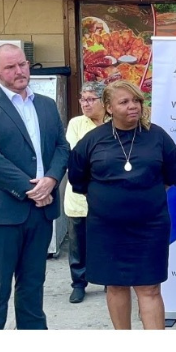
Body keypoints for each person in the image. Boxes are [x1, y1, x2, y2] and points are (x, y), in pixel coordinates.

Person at [0, 43, 69, 330]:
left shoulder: (45, 105)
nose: (19, 71)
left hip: (41, 211)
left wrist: (51, 180)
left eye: (22, 64)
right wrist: (30, 188)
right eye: (10, 67)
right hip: (0, 212)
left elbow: (61, 147)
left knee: (33, 287)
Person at [67, 81, 176, 330]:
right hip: (106, 228)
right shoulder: (92, 140)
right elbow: (78, 177)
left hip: (150, 226)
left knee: (149, 286)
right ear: (109, 107)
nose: (133, 106)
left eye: (137, 101)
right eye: (125, 102)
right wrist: (108, 199)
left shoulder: (157, 136)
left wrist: (141, 197)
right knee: (115, 284)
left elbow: (172, 173)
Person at [63, 82, 107, 304]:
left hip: (109, 195)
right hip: (80, 193)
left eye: (91, 99)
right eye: (83, 99)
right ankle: (79, 283)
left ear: (103, 101)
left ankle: (111, 280)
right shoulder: (76, 124)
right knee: (78, 243)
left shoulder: (113, 122)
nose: (85, 104)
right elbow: (76, 156)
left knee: (109, 240)